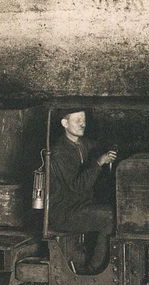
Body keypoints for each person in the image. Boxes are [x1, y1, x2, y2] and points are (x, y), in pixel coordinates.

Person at [48, 108, 117, 275]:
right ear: (65, 123)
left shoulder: (83, 144)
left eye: (83, 119)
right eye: (78, 119)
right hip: (63, 212)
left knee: (114, 210)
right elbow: (78, 186)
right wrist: (99, 163)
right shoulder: (59, 152)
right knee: (110, 217)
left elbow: (102, 146)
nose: (83, 123)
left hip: (80, 206)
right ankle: (94, 269)